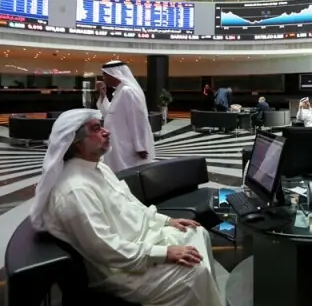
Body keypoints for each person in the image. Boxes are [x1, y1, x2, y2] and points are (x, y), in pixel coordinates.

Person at [30, 109, 223, 306]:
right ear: (77, 143)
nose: (106, 131)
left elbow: (131, 205)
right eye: (96, 129)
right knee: (194, 272)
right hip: (120, 269)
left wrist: (167, 221)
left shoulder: (99, 167)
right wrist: (165, 253)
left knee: (197, 232)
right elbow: (105, 249)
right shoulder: (74, 190)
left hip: (143, 240)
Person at [96, 60, 154, 173]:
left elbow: (137, 119)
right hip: (117, 143)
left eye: (106, 75)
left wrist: (140, 146)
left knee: (128, 174)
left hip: (126, 146)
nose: (104, 78)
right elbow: (109, 113)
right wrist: (103, 95)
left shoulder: (128, 91)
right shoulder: (120, 91)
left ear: (115, 74)